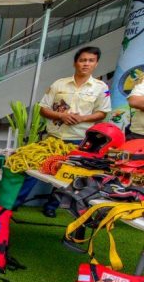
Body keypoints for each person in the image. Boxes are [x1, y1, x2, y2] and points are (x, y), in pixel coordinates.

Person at [38, 46, 112, 217]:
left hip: (79, 139)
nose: (86, 64)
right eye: (82, 60)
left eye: (90, 61)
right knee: (38, 168)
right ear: (75, 63)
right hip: (53, 137)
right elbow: (43, 109)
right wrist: (61, 115)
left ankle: (52, 205)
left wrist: (83, 118)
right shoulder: (59, 84)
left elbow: (103, 112)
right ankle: (15, 205)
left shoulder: (101, 88)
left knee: (66, 174)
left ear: (96, 64)